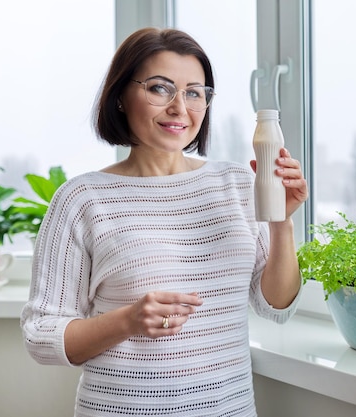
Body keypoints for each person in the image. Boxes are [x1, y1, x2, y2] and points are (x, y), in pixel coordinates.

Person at [21, 27, 307, 417]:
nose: (180, 107)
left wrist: (282, 222)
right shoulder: (82, 199)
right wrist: (128, 320)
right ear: (121, 96)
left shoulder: (238, 183)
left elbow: (275, 307)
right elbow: (41, 336)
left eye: (194, 92)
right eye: (160, 88)